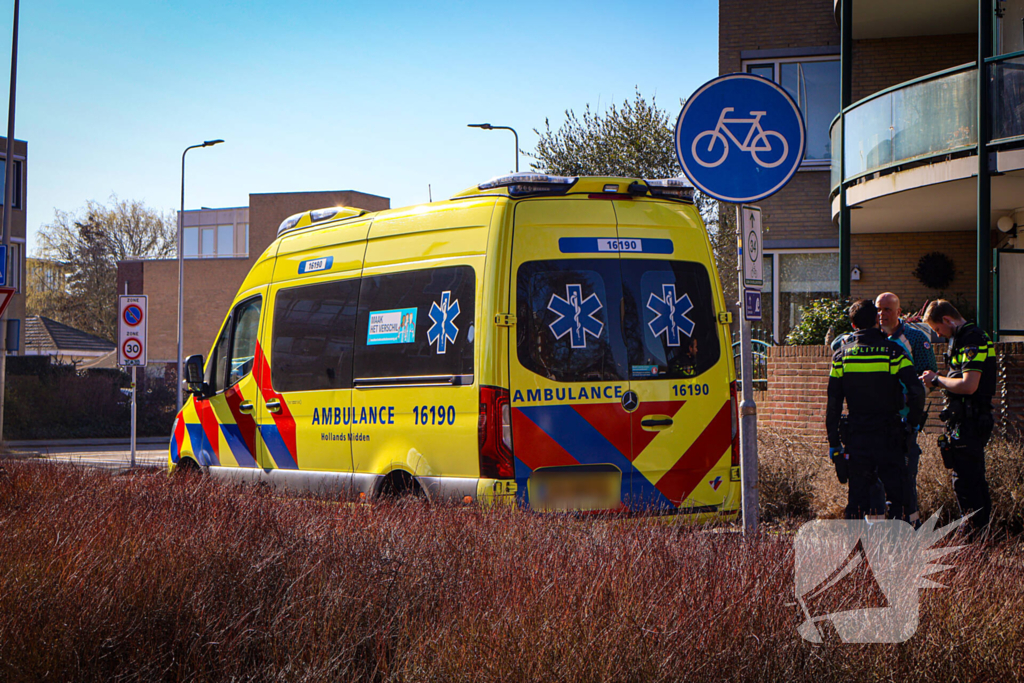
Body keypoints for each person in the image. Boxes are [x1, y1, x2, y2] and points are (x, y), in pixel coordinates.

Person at [826, 300, 926, 520]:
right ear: (876, 321)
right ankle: (896, 549)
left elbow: (833, 404)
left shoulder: (841, 357)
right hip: (890, 436)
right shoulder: (894, 353)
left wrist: (834, 443)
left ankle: (858, 552)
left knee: (858, 501)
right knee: (897, 499)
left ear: (853, 326)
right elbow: (917, 391)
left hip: (857, 438)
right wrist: (912, 424)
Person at [919, 300, 996, 532]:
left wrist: (937, 380)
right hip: (963, 419)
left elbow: (968, 385)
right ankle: (980, 537)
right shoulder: (962, 338)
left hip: (970, 421)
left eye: (938, 329)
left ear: (947, 320)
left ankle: (974, 538)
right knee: (971, 480)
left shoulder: (971, 339)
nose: (939, 335)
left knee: (966, 482)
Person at [875, 292, 938, 525]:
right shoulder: (873, 340)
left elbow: (930, 380)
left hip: (905, 422)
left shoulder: (914, 338)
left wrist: (909, 407)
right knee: (879, 478)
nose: (882, 314)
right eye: (879, 309)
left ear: (899, 312)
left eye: (887, 309)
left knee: (905, 476)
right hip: (879, 422)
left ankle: (912, 527)